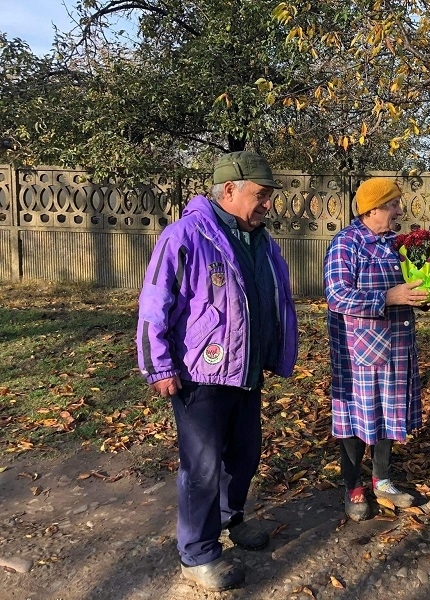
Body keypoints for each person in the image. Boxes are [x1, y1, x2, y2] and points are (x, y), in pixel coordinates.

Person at [136, 151, 298, 591]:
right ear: (230, 190)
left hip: (245, 371)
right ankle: (198, 553)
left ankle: (231, 520)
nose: (267, 204)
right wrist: (159, 366)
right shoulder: (184, 235)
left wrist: (275, 349)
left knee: (244, 456)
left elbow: (274, 300)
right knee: (202, 468)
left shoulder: (261, 241)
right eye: (260, 195)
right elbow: (155, 304)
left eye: (268, 197)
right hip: (197, 377)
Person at [323, 177, 430, 521]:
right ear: (372, 209)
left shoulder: (397, 243)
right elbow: (337, 295)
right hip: (360, 352)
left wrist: (421, 293)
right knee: (356, 419)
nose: (400, 210)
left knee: (388, 415)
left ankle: (382, 480)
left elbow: (411, 285)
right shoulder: (347, 243)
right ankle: (353, 487)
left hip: (397, 345)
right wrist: (387, 297)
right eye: (393, 204)